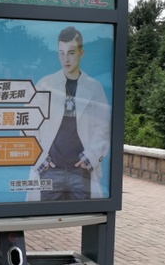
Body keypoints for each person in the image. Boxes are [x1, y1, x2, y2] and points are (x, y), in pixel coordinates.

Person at [26, 26, 111, 201]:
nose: (66, 59)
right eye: (61, 53)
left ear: (81, 53)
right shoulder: (45, 85)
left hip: (81, 172)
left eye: (71, 53)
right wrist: (40, 160)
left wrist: (90, 158)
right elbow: (27, 125)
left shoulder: (94, 87)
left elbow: (103, 128)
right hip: (50, 170)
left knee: (85, 214)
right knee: (45, 214)